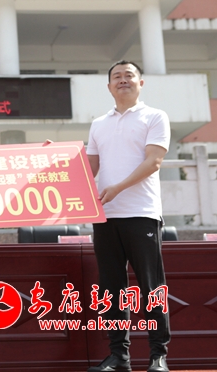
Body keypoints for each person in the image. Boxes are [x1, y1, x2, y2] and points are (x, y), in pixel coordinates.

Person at [87, 60, 171, 372]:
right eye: (117, 76)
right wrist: (56, 158)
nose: (123, 80)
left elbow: (154, 162)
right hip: (106, 216)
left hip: (142, 213)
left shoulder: (155, 116)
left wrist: (118, 188)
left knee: (151, 287)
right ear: (109, 86)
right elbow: (88, 168)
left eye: (129, 75)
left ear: (140, 83)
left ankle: (158, 355)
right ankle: (118, 356)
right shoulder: (99, 123)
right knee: (111, 289)